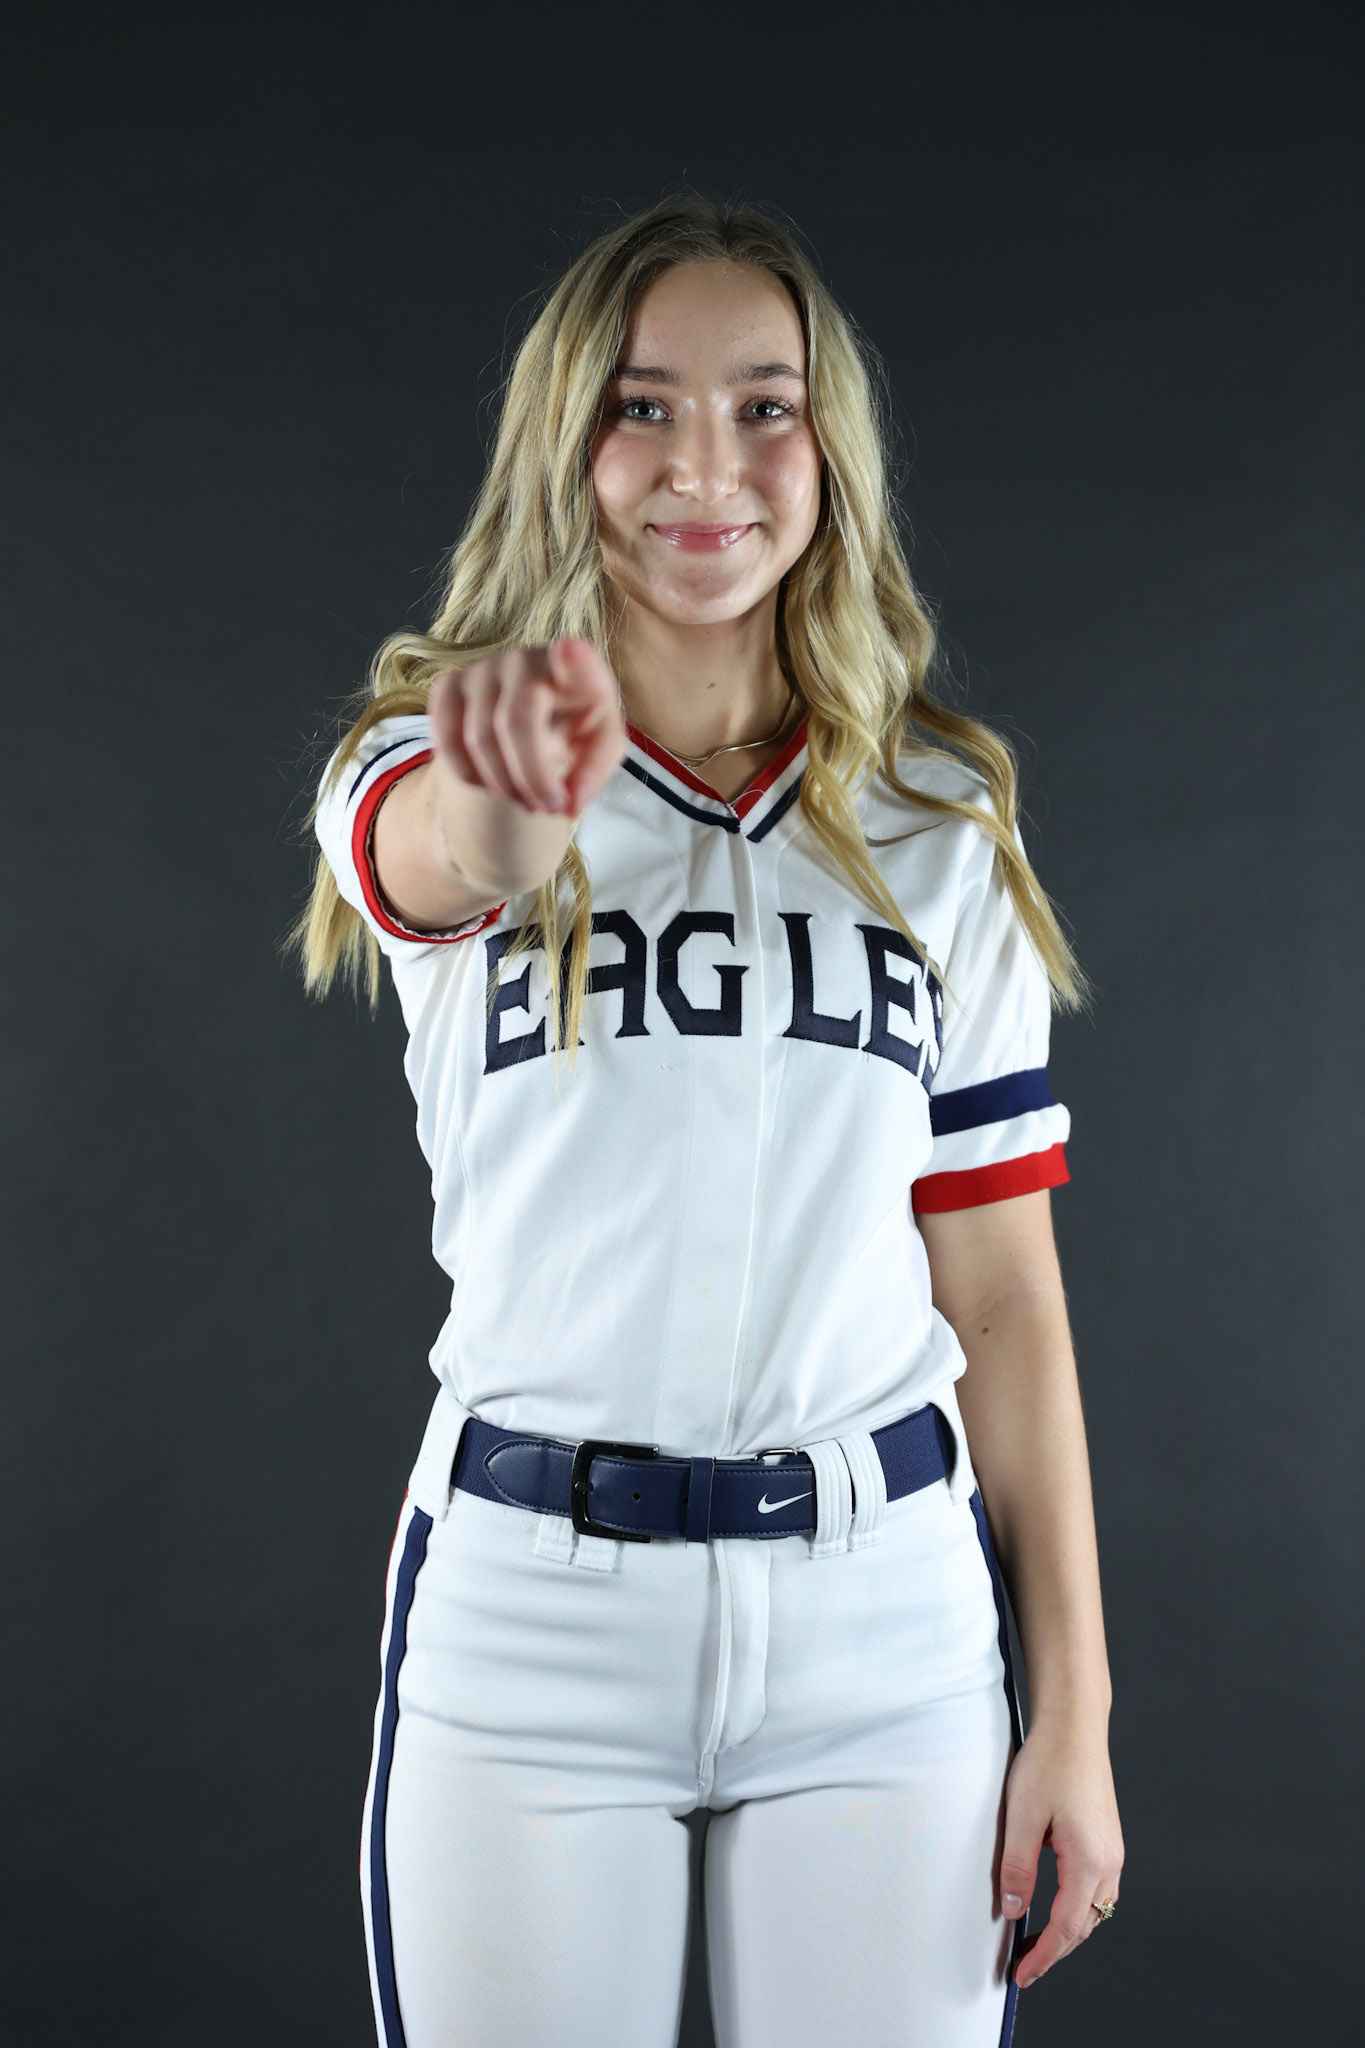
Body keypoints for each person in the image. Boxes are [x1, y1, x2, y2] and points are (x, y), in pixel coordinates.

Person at [288, 193, 1124, 2048]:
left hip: (882, 1629)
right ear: (566, 442)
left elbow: (1001, 1300)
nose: (705, 464)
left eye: (764, 405)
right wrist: (516, 792)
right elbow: (442, 862)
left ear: (828, 452)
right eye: (643, 406)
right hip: (533, 1616)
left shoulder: (935, 819)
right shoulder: (428, 748)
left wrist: (1070, 1710)